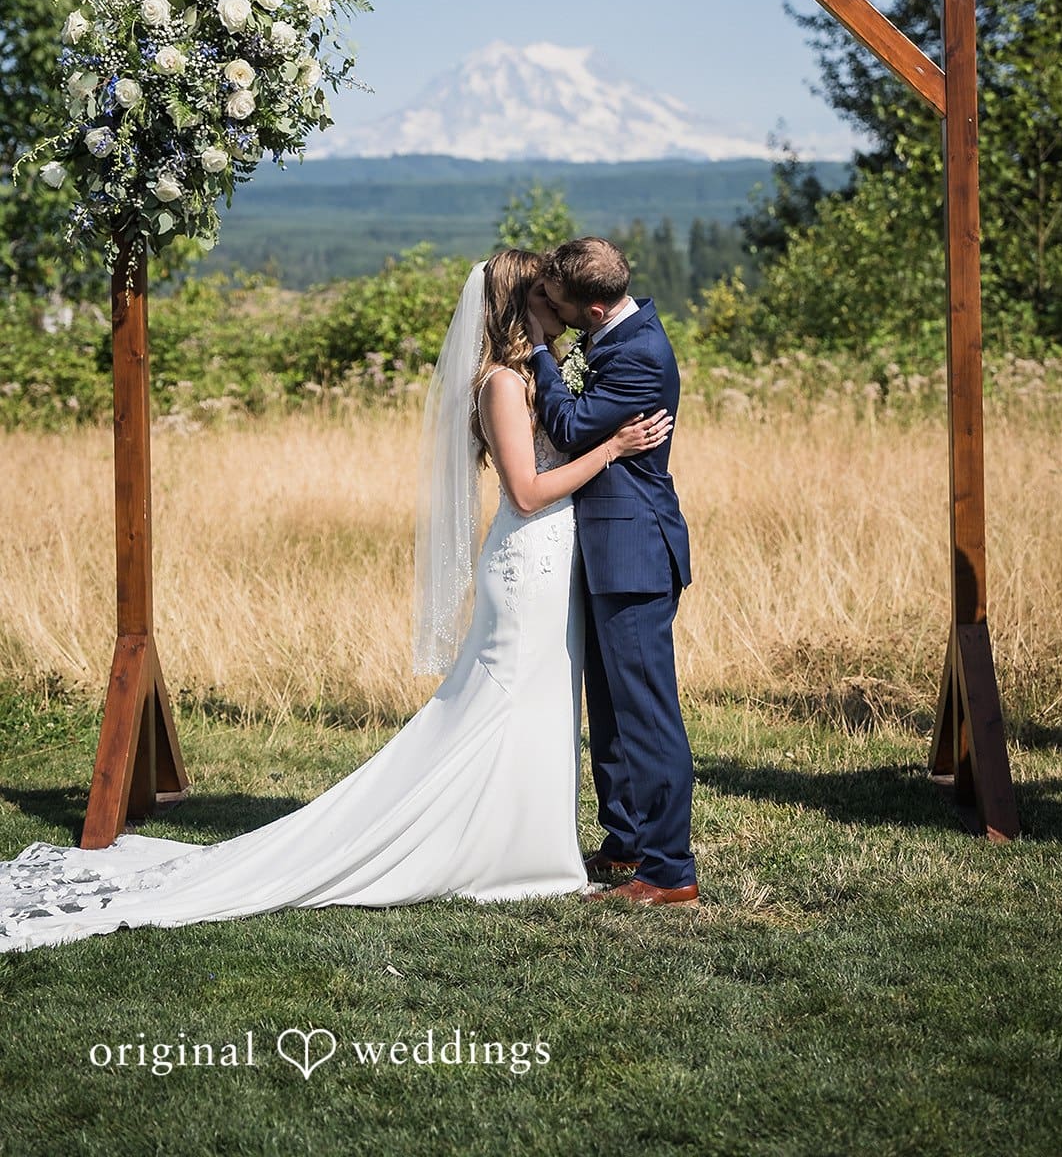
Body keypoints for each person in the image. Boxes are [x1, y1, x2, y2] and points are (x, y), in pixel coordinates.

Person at [0, 250, 671, 953]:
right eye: (548, 297)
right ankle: (493, 849)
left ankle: (525, 842)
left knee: (538, 708)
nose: (562, 308)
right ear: (521, 305)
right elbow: (528, 491)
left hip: (550, 561)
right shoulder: (501, 383)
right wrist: (614, 449)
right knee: (499, 707)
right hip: (527, 564)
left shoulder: (533, 374)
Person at [525, 237, 697, 906]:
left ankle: (669, 870)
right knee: (613, 709)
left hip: (635, 553)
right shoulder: (615, 337)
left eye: (555, 301)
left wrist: (540, 351)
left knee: (647, 714)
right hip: (607, 548)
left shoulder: (640, 355)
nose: (548, 308)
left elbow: (568, 427)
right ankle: (625, 842)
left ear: (590, 306)